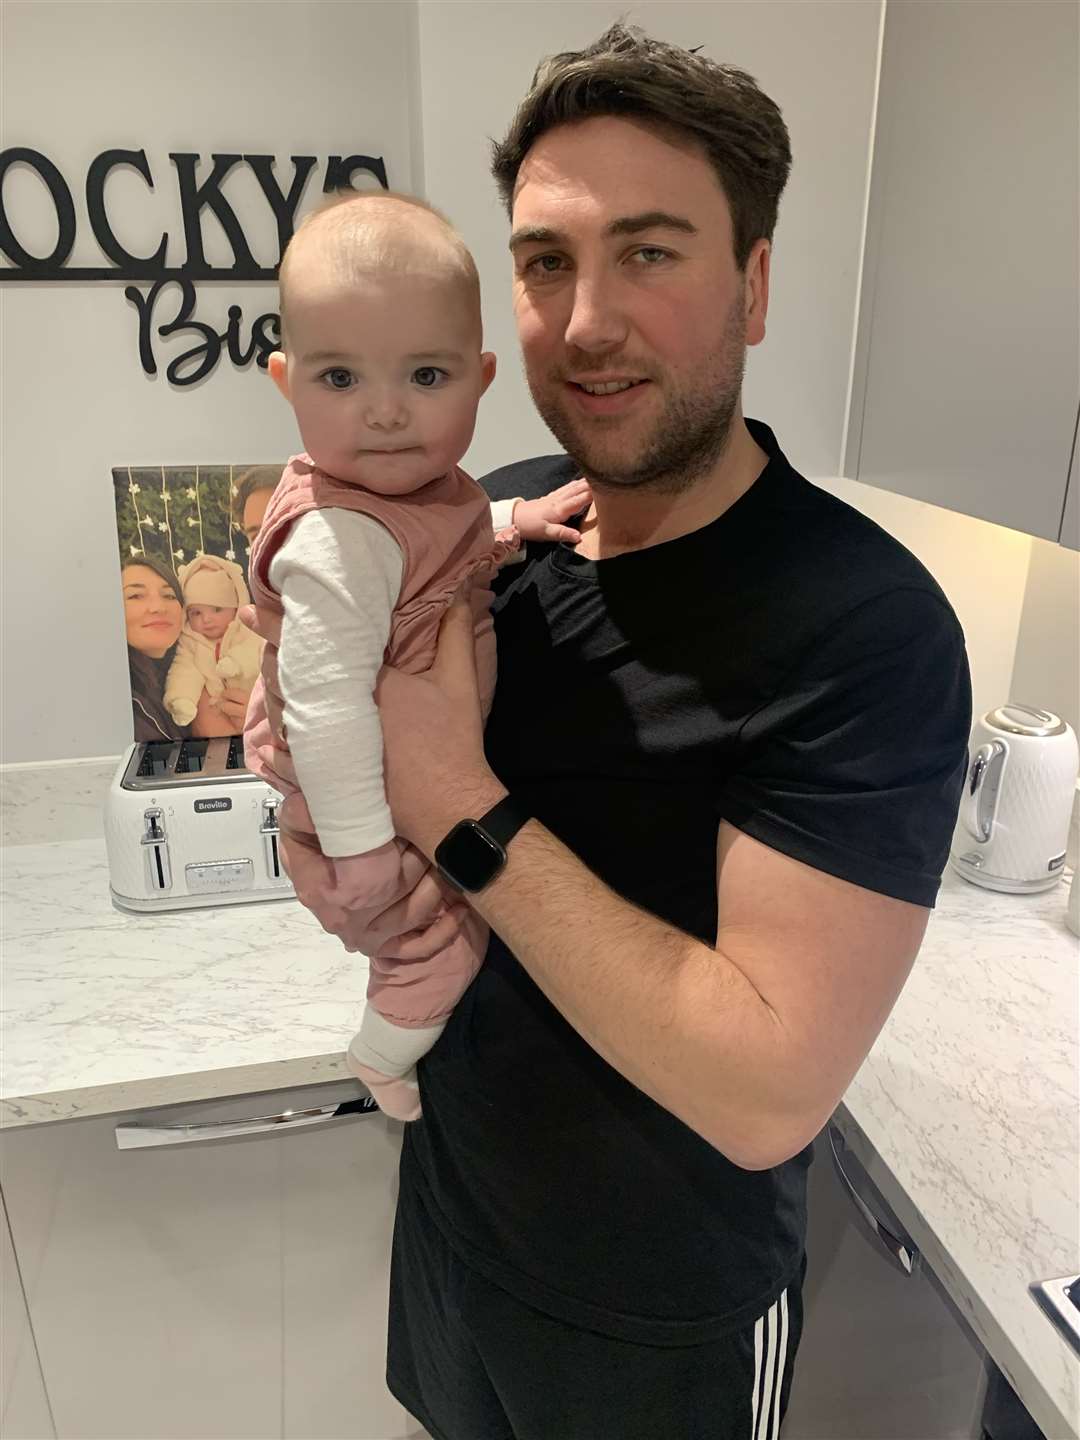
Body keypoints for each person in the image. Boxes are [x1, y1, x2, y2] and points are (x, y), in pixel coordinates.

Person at [251, 24, 972, 1439]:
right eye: (544, 264)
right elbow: (375, 813)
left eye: (650, 252)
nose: (585, 322)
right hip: (458, 1239)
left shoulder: (865, 630)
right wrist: (334, 850)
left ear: (755, 286)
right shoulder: (498, 515)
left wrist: (452, 796)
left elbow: (767, 1092)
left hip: (665, 1324)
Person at [243, 191, 593, 1121]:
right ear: (287, 383)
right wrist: (359, 850)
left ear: (480, 380)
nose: (388, 414)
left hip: (387, 764)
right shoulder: (338, 535)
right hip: (354, 784)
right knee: (438, 940)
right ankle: (382, 1054)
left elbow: (451, 534)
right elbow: (322, 704)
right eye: (341, 379)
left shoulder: (431, 493)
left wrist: (516, 520)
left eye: (427, 376)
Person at [163, 555, 263, 728]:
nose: (206, 619)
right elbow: (184, 669)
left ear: (236, 607)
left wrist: (235, 662)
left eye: (217, 609)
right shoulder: (190, 641)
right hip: (219, 712)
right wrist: (182, 698)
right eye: (196, 613)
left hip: (254, 703)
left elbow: (257, 651)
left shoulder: (247, 629)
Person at [120, 556, 187, 742]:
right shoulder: (118, 697)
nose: (158, 608)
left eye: (169, 596)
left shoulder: (197, 673)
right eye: (135, 596)